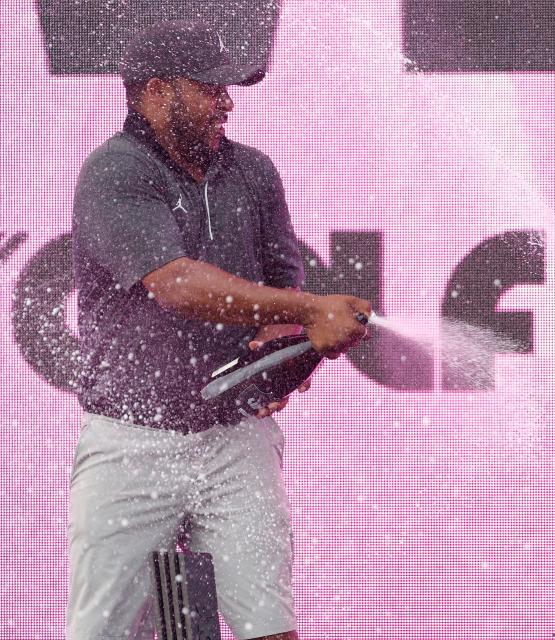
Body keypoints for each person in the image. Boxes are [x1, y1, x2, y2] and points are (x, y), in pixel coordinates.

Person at [68, 20, 371, 640]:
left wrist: (297, 353)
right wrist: (315, 313)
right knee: (105, 634)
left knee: (271, 629)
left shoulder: (255, 174)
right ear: (156, 91)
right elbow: (176, 284)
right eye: (210, 88)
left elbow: (286, 305)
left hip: (237, 443)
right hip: (132, 445)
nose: (227, 101)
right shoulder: (115, 172)